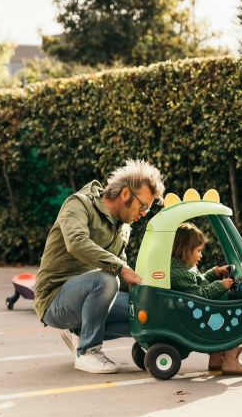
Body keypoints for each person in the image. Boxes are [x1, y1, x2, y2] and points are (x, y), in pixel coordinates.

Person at [34, 159, 165, 374]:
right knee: (106, 279)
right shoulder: (79, 204)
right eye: (143, 206)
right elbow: (77, 243)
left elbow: (122, 272)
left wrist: (146, 292)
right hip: (55, 299)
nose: (143, 213)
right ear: (125, 194)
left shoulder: (124, 227)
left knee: (145, 309)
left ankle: (79, 333)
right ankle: (88, 351)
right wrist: (121, 268)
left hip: (92, 296)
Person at [170, 222, 242, 375]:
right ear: (185, 250)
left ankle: (216, 359)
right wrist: (221, 286)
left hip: (197, 312)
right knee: (235, 313)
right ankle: (230, 360)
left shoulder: (181, 267)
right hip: (200, 315)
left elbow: (198, 282)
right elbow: (200, 295)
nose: (201, 255)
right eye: (198, 251)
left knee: (222, 309)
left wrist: (214, 272)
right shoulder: (181, 273)